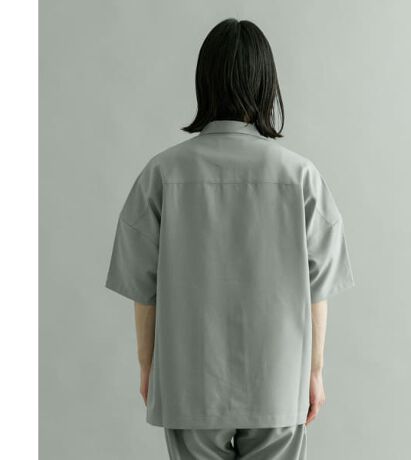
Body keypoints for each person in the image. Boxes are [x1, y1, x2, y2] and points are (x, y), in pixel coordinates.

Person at [105, 18, 355, 460]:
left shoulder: (162, 173)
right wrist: (314, 372)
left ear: (204, 82)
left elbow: (144, 289)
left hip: (189, 381)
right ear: (267, 86)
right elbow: (318, 289)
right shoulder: (300, 176)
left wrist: (149, 367)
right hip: (279, 383)